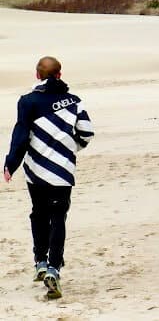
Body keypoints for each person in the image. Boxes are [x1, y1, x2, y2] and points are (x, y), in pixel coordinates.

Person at [3, 57, 94, 299]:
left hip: (36, 171)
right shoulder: (74, 101)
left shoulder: (27, 101)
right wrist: (70, 148)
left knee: (38, 214)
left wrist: (10, 164)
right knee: (58, 218)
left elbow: (20, 136)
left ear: (37, 75)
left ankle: (40, 262)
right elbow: (86, 132)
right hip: (63, 171)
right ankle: (54, 267)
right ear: (59, 74)